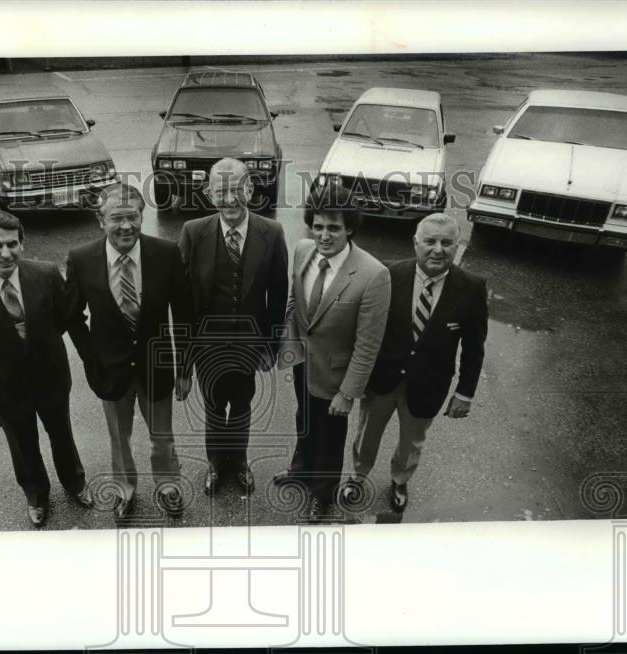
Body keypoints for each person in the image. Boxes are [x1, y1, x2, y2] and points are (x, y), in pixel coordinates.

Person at [0, 210, 92, 528]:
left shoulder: (46, 274)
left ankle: (75, 483)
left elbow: (64, 321)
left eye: (12, 244)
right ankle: (36, 495)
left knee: (62, 436)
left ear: (22, 244)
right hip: (6, 389)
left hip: (52, 380)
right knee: (23, 445)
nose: (5, 253)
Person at [65, 183, 193, 521]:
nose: (126, 226)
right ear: (100, 220)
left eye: (132, 217)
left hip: (158, 367)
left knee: (162, 436)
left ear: (142, 216)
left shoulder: (166, 253)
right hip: (110, 369)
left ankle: (168, 485)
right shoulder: (81, 259)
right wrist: (91, 360)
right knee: (118, 439)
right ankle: (125, 491)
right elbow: (71, 316)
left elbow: (183, 314)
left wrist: (184, 368)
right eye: (116, 218)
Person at [346, 213, 488, 513]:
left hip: (429, 384)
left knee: (412, 441)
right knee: (367, 431)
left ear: (458, 245)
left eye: (447, 243)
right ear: (415, 243)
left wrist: (465, 393)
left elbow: (474, 347)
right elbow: (364, 327)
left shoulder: (472, 287)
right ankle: (358, 475)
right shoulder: (387, 274)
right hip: (383, 378)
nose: (438, 250)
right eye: (430, 241)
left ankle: (400, 480)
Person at [178, 157, 288, 495]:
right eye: (220, 190)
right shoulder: (193, 233)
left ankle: (238, 462)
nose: (229, 199)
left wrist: (270, 347)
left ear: (250, 189)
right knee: (213, 405)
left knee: (241, 405)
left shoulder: (271, 233)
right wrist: (182, 365)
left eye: (237, 189)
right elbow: (183, 306)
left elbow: (277, 294)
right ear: (210, 193)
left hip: (248, 347)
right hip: (206, 347)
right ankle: (215, 463)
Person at [274, 206, 391, 520]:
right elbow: (294, 297)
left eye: (334, 228)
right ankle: (300, 470)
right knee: (305, 420)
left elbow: (368, 344)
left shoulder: (373, 274)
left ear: (350, 229)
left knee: (329, 437)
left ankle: (322, 494)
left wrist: (348, 393)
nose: (323, 235)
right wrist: (288, 342)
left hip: (337, 376)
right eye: (318, 226)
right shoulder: (302, 250)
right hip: (303, 362)